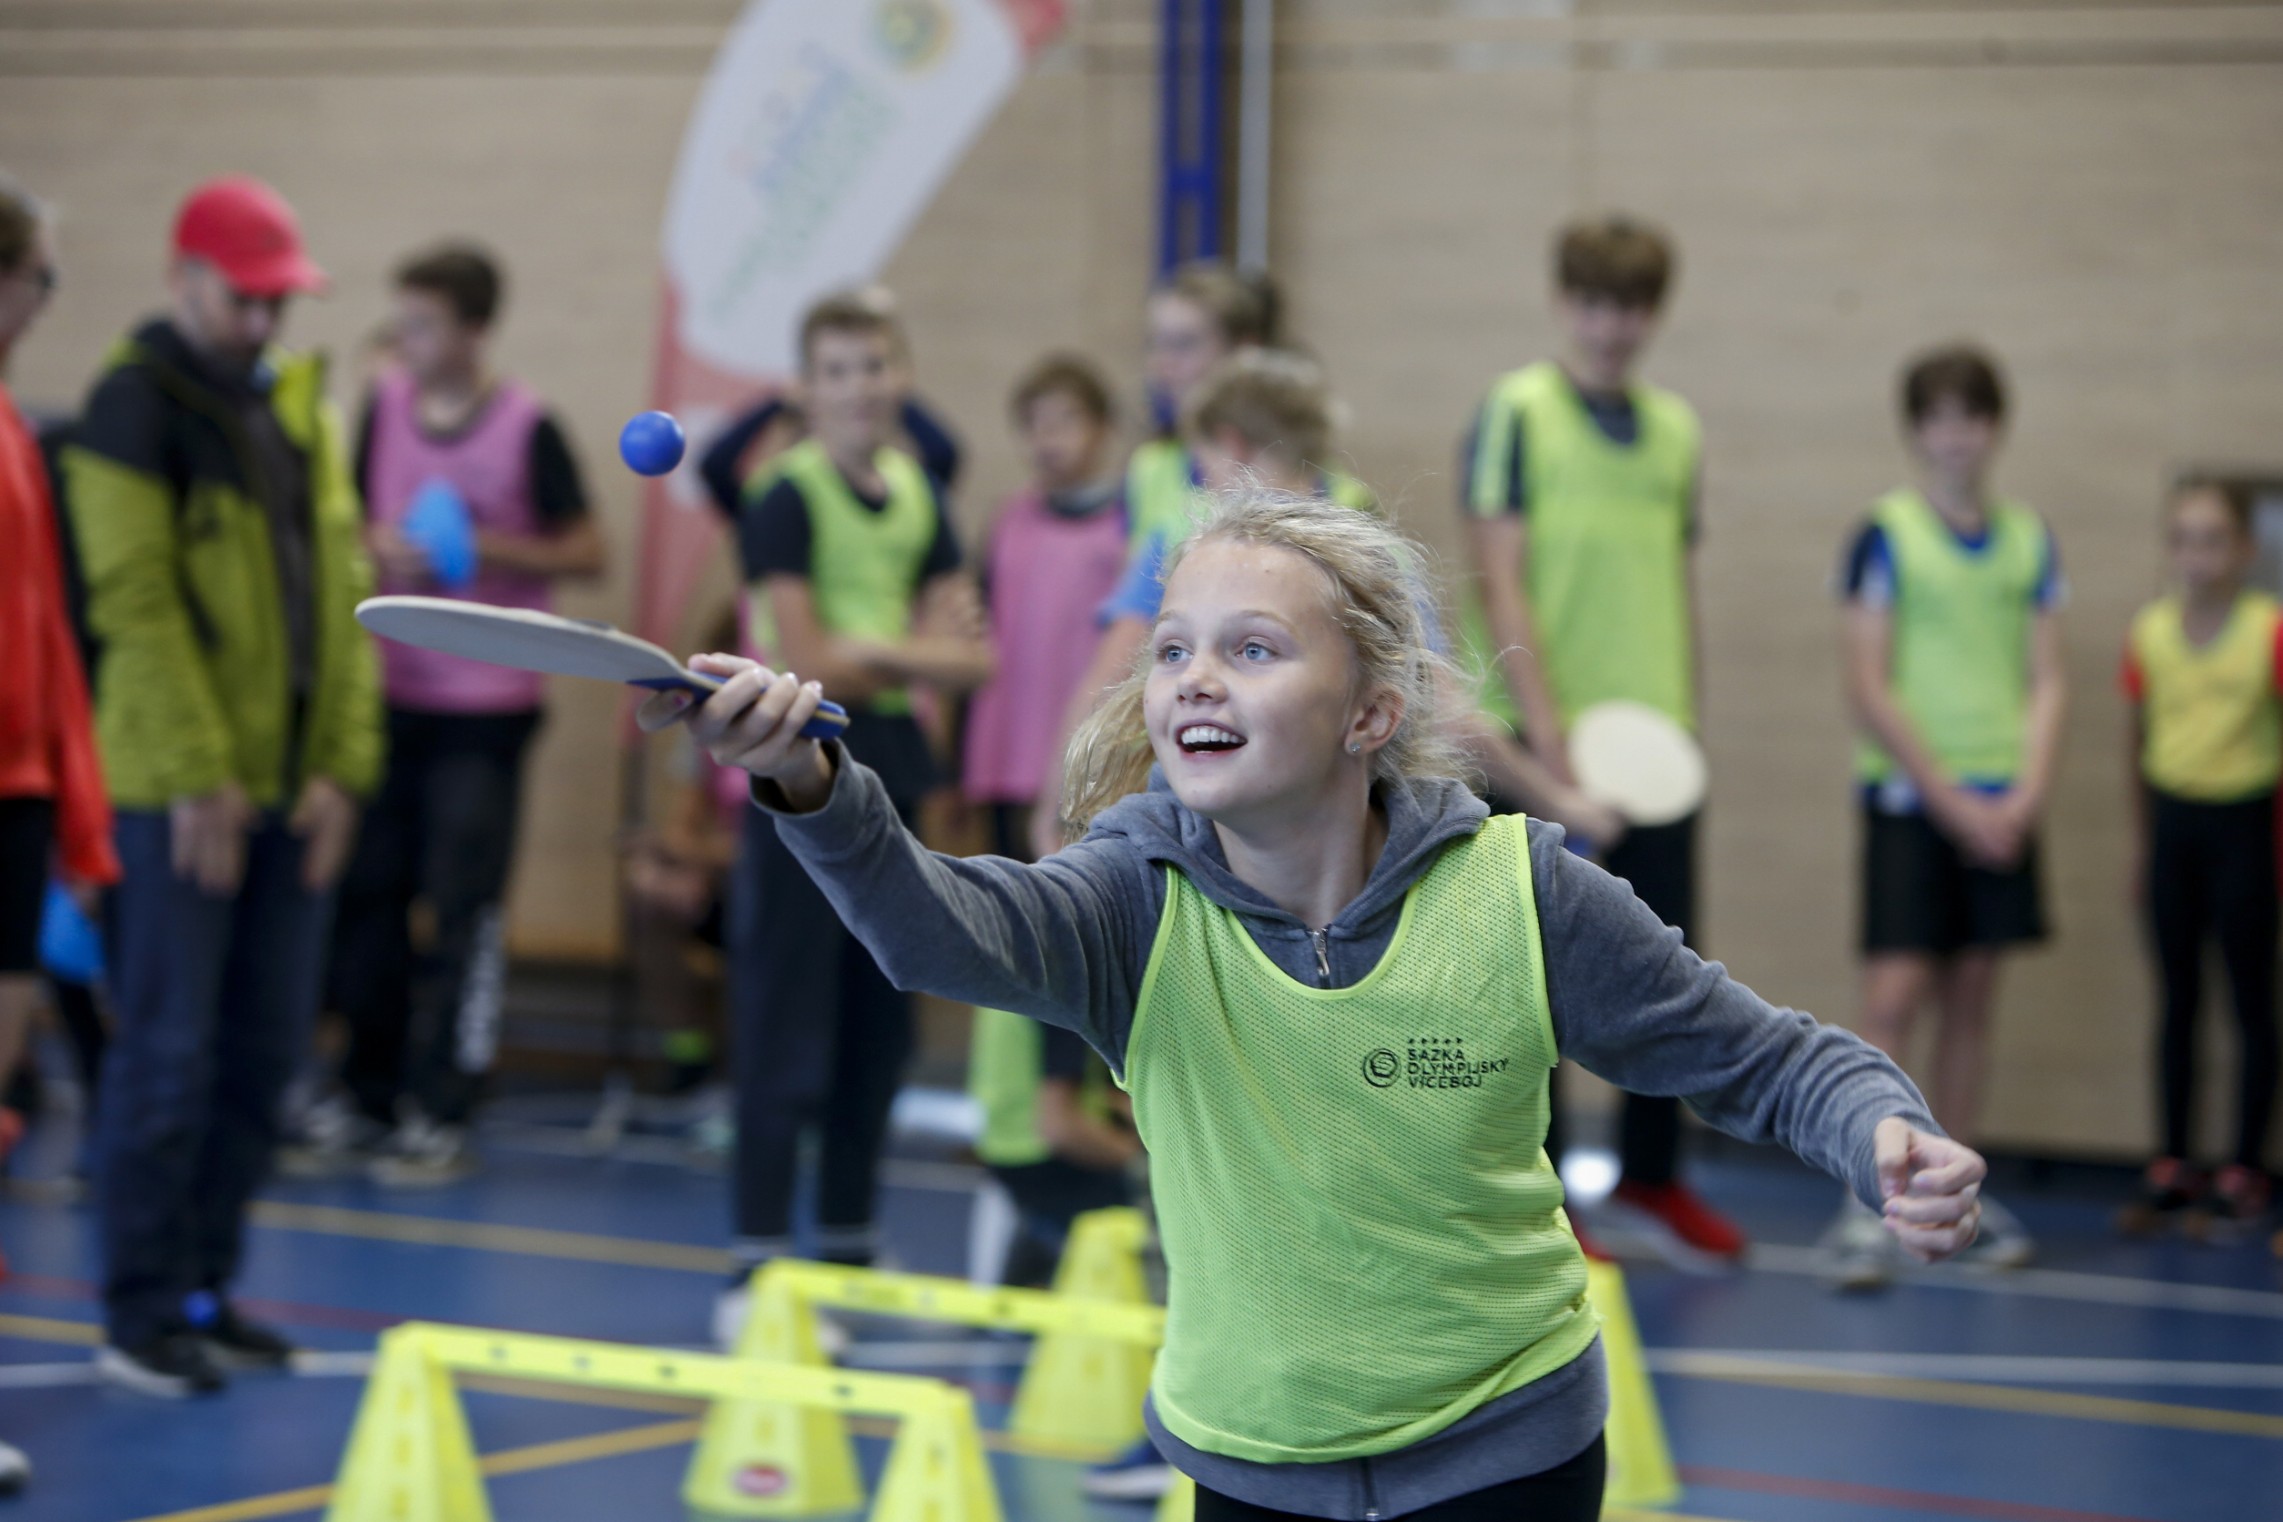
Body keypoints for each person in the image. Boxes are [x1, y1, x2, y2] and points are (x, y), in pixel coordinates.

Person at [647, 489, 1985, 1521]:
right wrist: (811, 786)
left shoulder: (1521, 894)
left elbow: (1765, 1060)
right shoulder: (1131, 901)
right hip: (1250, 1465)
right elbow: (935, 927)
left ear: (1369, 713)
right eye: (1173, 649)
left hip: (1507, 1450)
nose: (1195, 677)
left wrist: (1883, 1130)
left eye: (1253, 648)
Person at [63, 175, 382, 1395]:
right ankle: (140, 1311)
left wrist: (344, 767)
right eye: (242, 299)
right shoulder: (130, 406)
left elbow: (344, 598)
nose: (261, 322)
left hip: (291, 798)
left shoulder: (298, 411)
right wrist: (200, 775)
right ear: (183, 279)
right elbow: (134, 604)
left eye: (275, 302)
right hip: (175, 798)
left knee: (261, 1058)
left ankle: (207, 1286)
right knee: (167, 1058)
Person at [1459, 216, 1745, 1266]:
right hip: (1544, 741)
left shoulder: (1676, 432)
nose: (1610, 326)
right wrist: (1549, 741)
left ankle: (1654, 1176)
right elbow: (1500, 575)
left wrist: (1684, 725)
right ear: (1562, 303)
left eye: (1629, 306)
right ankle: (1539, 1198)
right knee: (1529, 977)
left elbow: (1673, 579)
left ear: (1652, 314)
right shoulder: (1517, 413)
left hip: (1654, 741)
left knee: (1664, 969)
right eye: (1592, 303)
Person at [716, 291, 993, 1340]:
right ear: (804, 388)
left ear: (902, 377)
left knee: (879, 1019)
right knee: (785, 1017)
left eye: (875, 366)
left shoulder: (921, 495)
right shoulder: (781, 497)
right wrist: (903, 653)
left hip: (895, 766)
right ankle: (754, 1268)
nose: (859, 387)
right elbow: (808, 663)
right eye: (836, 370)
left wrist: (878, 650)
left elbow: (975, 659)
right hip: (799, 764)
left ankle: (847, 1243)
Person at [303, 242, 605, 1187]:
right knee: (368, 900)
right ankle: (367, 1094)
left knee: (462, 908)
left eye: (426, 323)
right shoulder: (385, 404)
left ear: (475, 330)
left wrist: (482, 546)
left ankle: (444, 1106)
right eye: (403, 321)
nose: (408, 340)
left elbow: (588, 548)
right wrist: (382, 545)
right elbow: (351, 517)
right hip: (389, 698)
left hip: (486, 712)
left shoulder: (527, 426)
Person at [1830, 343, 2065, 1288]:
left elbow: (2047, 680)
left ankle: (1950, 1197)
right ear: (1916, 430)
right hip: (1911, 804)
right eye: (1937, 417)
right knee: (1892, 1002)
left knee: (1971, 1001)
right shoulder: (1883, 536)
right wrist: (1953, 802)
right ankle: (1865, 1203)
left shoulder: (2028, 541)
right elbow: (1867, 685)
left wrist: (2024, 792)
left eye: (1971, 415)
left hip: (2003, 804)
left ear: (1993, 427)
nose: (1955, 435)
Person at [960, 353, 1140, 1286]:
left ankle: (1079, 1131)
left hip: (1089, 773)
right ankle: (1026, 1146)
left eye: (1066, 420)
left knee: (1089, 952)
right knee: (1021, 956)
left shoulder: (1127, 530)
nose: (1048, 440)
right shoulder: (1008, 523)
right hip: (1008, 762)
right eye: (1033, 422)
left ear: (1102, 430)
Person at [1027, 261, 1283, 859]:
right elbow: (1126, 647)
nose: (1163, 366)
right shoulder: (1151, 471)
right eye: (1156, 345)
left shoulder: (1320, 487)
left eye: (1185, 344)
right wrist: (1068, 788)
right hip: (1169, 749)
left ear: (1245, 353)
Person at [0, 170, 115, 1494]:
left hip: (18, 802)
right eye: (40, 276)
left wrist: (79, 822)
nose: (44, 302)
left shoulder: (21, 434)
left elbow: (44, 648)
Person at [2116, 479, 2278, 1237]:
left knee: (2249, 1001)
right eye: (2182, 539)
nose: (2196, 555)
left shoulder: (2268, 630)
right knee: (2176, 1000)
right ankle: (2173, 1162)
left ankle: (2243, 1167)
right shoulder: (2149, 630)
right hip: (2173, 830)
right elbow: (2136, 738)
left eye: (2212, 539)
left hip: (2246, 827)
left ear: (2243, 549)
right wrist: (2142, 841)